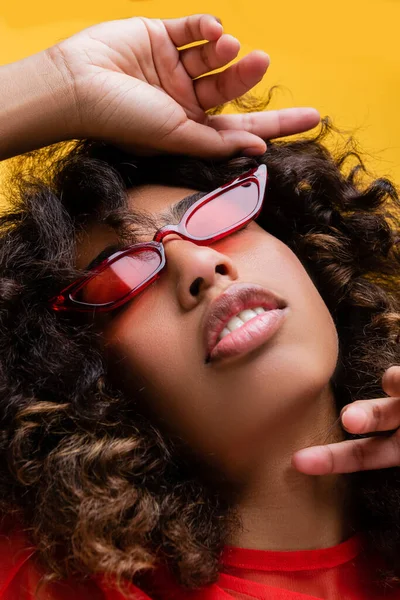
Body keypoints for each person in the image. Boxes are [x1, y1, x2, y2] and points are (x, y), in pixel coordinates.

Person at [0, 12, 400, 600]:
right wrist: (62, 84)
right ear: (80, 377)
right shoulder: (49, 579)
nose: (199, 266)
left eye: (215, 215)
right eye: (120, 273)